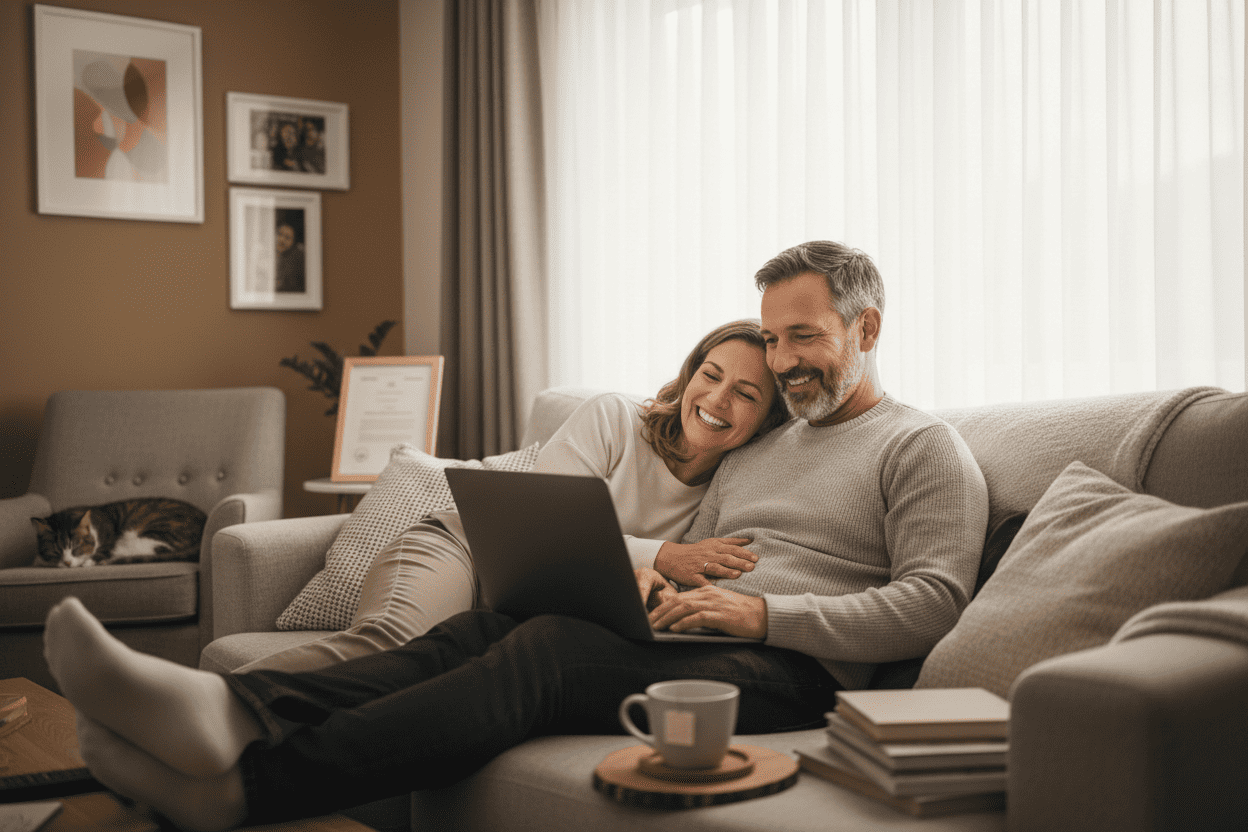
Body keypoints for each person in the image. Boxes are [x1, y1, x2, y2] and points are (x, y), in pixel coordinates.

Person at [44, 242, 989, 831]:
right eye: (773, 341)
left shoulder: (921, 446)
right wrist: (660, 587)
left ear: (867, 327)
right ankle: (236, 710)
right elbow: (684, 539)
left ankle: (249, 789)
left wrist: (761, 613)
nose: (782, 362)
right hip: (695, 633)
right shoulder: (760, 450)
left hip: (795, 672)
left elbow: (934, 604)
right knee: (471, 635)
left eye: (805, 338)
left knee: (540, 653)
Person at [242, 319, 788, 675]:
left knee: (431, 679)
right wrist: (661, 555)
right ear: (690, 375)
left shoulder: (734, 486)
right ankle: (221, 693)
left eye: (745, 394)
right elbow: (537, 535)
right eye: (710, 375)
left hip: (523, 610)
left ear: (768, 421)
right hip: (463, 548)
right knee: (392, 647)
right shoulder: (616, 418)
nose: (717, 399)